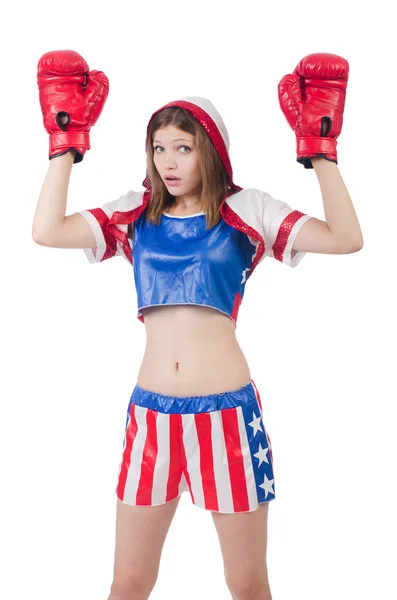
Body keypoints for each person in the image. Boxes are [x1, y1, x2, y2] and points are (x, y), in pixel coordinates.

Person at [33, 49, 363, 600]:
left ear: (210, 152)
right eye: (159, 148)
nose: (168, 161)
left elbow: (346, 239)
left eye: (183, 148)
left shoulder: (249, 210)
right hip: (152, 416)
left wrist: (321, 151)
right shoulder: (135, 212)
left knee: (248, 584)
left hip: (227, 418)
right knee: (128, 583)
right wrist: (65, 146)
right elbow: (47, 230)